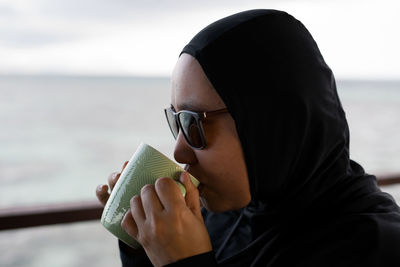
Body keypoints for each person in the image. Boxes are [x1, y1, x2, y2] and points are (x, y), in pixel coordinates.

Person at [96, 9, 400, 266]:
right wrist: (142, 244)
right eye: (176, 121)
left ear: (273, 125)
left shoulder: (375, 246)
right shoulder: (224, 216)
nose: (180, 152)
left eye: (193, 123)